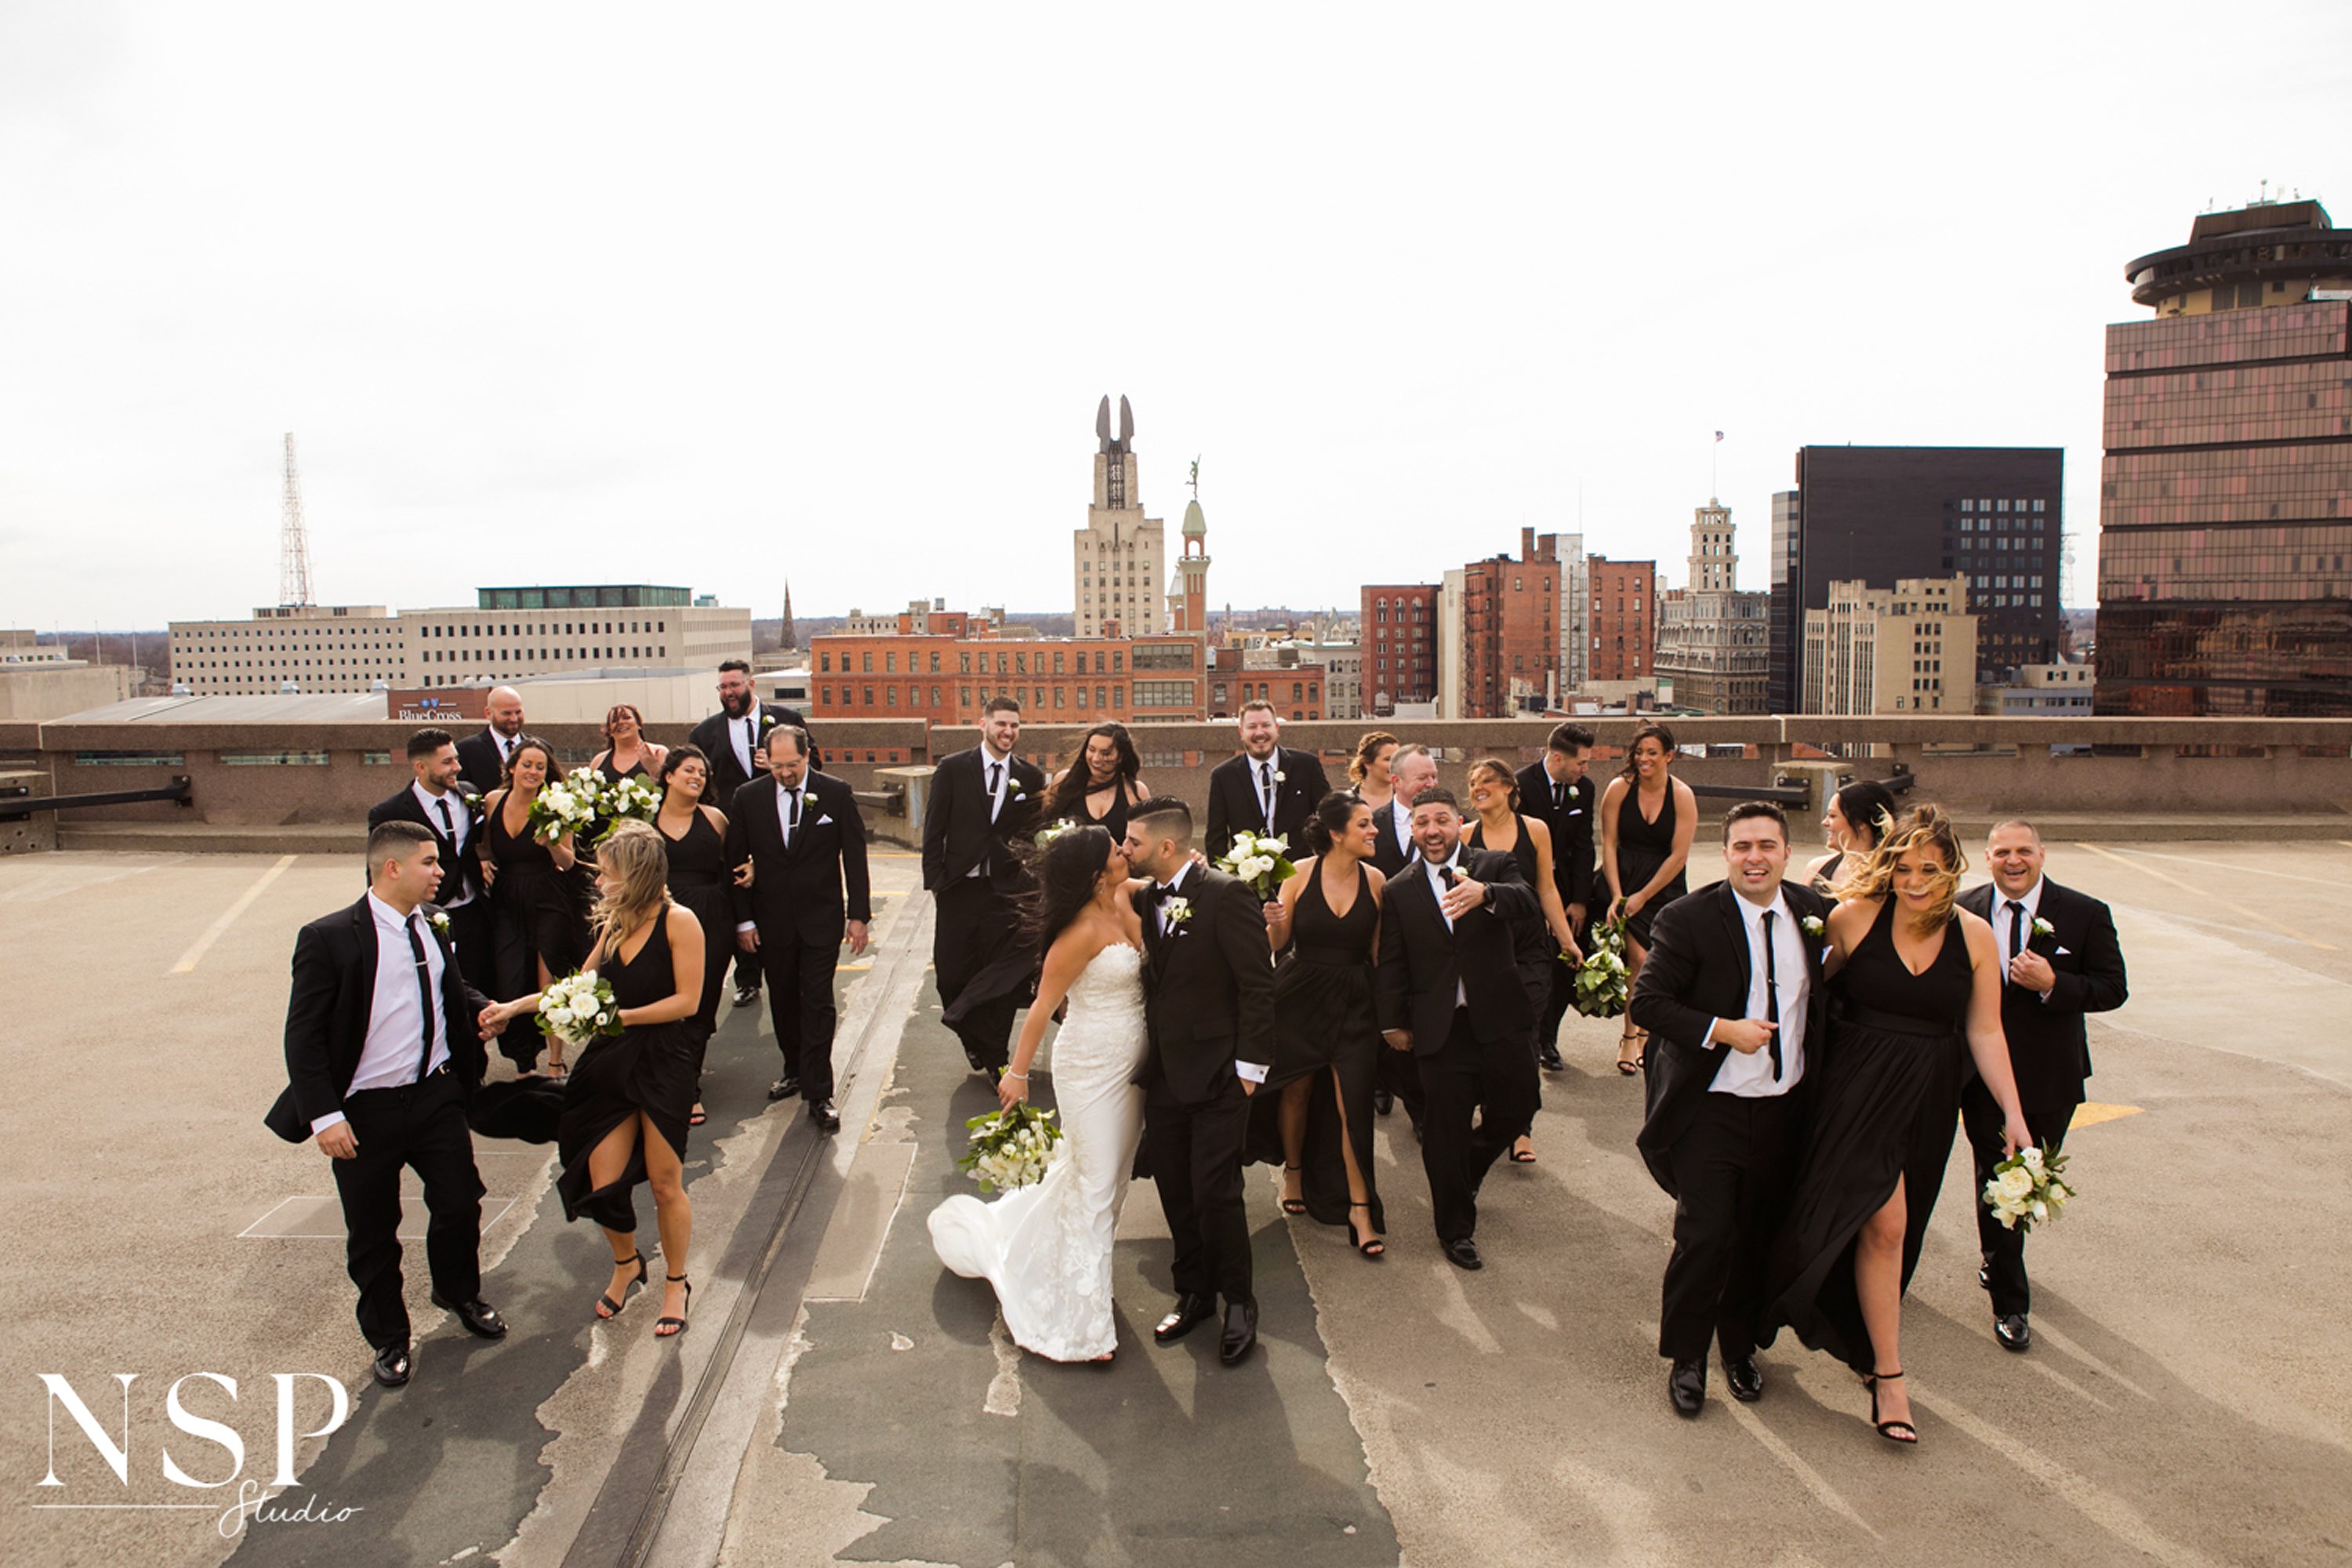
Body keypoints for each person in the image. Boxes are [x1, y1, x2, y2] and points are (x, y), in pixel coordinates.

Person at [1759, 804, 2034, 1446]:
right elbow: (1803, 997)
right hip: (1855, 1087)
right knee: (1885, 1224)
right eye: (1903, 867)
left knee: (1892, 1234)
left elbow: (1986, 1030)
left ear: (1952, 869)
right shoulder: (1853, 918)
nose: (1915, 881)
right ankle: (1890, 1375)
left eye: (1930, 869)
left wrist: (2014, 1115)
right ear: (1887, 866)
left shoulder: (1974, 937)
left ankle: (1863, 1338)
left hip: (1929, 1092)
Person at [264, 821, 510, 1389]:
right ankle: (389, 1336)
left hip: (435, 1096)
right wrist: (325, 1116)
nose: (441, 872)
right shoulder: (328, 938)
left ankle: (458, 1292)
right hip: (363, 1112)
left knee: (460, 1202)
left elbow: (446, 988)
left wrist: (479, 1008)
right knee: (373, 1231)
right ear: (392, 868)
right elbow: (303, 1036)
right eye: (430, 862)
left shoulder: (432, 926)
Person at [1630, 803, 1830, 1417]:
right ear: (1725, 854)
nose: (1755, 857)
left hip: (1784, 1109)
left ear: (1787, 854)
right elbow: (1649, 1004)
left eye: (1767, 846)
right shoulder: (1688, 919)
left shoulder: (1817, 914)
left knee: (1758, 1237)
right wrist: (1722, 1029)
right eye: (1743, 846)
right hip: (1710, 1109)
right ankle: (1687, 1359)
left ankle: (1739, 1347)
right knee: (1705, 1235)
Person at [927, 826, 1152, 1362]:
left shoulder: (1123, 897)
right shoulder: (1076, 933)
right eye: (1116, 851)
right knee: (1097, 1185)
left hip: (1132, 1067)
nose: (1125, 853)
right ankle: (1085, 1323)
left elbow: (1169, 879)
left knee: (1111, 1180)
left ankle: (1073, 1265)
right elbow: (1042, 1007)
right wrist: (1018, 1073)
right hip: (1088, 1067)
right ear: (1097, 872)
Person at [484, 822, 705, 1340]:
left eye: (608, 873)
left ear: (638, 875)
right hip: (609, 1062)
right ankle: (627, 1263)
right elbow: (577, 988)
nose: (600, 882)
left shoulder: (681, 921)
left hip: (662, 1060)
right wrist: (512, 1008)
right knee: (602, 1183)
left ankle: (676, 1281)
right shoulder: (614, 925)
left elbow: (689, 1002)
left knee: (665, 1182)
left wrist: (618, 1018)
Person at [1957, 821, 2128, 1352]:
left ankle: (1996, 1255)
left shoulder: (2084, 913)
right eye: (2003, 852)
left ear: (2042, 855)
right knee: (1999, 1173)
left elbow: (2113, 988)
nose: (2014, 861)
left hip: (2051, 1075)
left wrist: (2056, 984)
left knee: (2029, 1177)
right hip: (1981, 1075)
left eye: (2023, 851)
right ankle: (2011, 1301)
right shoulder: (1961, 909)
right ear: (1987, 858)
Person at [1122, 799, 1276, 1367]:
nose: (1125, 850)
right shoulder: (1146, 897)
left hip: (1220, 1075)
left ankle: (1239, 1301)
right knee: (1175, 1188)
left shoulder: (1227, 894)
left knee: (1216, 1192)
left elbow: (1258, 986)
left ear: (1166, 847)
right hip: (1164, 1072)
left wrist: (1249, 1071)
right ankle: (1194, 1292)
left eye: (1132, 842)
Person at [1374, 787, 1541, 1269]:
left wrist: (1486, 895)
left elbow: (1528, 900)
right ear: (1413, 829)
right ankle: (1455, 1230)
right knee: (1444, 1131)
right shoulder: (1399, 888)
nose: (1432, 831)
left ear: (1458, 823)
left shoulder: (1494, 865)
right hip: (1440, 1029)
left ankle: (1466, 1169)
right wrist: (1393, 1023)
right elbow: (1393, 963)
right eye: (1422, 822)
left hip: (1500, 1018)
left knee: (1517, 1108)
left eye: (1441, 820)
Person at [1254, 791, 1390, 1258]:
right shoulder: (1296, 875)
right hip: (1300, 995)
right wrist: (1272, 920)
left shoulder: (1376, 880)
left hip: (1355, 1001)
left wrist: (1390, 1015)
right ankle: (1293, 1172)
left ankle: (1360, 1211)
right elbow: (1279, 943)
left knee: (1353, 1105)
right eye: (1365, 825)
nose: (1375, 831)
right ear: (1336, 834)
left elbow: (1378, 954)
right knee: (1296, 1089)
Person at [726, 726, 870, 1131]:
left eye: (792, 765)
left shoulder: (835, 793)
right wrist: (744, 920)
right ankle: (794, 1069)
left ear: (807, 756)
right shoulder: (748, 798)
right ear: (765, 761)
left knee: (818, 1002)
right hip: (771, 920)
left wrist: (858, 915)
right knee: (784, 999)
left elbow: (855, 857)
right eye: (777, 766)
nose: (786, 774)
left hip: (821, 919)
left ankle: (820, 1091)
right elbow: (735, 863)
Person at [1465, 757, 1581, 1163]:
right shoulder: (1465, 834)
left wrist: (1566, 940)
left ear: (1509, 788)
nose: (1478, 788)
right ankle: (1490, 1115)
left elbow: (1546, 889)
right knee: (1486, 1033)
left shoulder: (1536, 830)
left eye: (1487, 782)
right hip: (1485, 945)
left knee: (1525, 1033)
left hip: (1530, 945)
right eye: (1474, 783)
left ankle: (1520, 1126)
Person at [921, 696, 1045, 1077]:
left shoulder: (1030, 777)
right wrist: (936, 882)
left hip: (1005, 892)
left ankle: (994, 1057)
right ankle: (973, 1039)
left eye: (1015, 726)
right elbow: (934, 827)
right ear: (983, 725)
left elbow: (1031, 834)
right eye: (1001, 724)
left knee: (1000, 980)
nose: (1008, 732)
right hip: (959, 887)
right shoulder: (954, 768)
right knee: (951, 974)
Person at [688, 659, 821, 1009]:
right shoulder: (704, 733)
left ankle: (788, 965)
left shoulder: (787, 719)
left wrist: (777, 766)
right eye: (723, 687)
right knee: (738, 895)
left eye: (734, 685)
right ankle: (747, 978)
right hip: (733, 830)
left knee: (776, 893)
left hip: (783, 825)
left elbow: (816, 764)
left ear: (752, 684)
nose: (729, 693)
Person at [478, 736, 590, 1073]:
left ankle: (556, 1061)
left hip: (548, 895)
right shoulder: (492, 801)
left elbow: (569, 863)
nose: (533, 771)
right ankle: (523, 1059)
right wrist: (482, 859)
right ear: (512, 767)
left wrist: (552, 843)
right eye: (527, 764)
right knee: (511, 977)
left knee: (548, 979)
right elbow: (483, 843)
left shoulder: (556, 803)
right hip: (506, 897)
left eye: (540, 767)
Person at [1600, 722, 1698, 1077]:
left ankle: (1645, 1031)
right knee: (1638, 959)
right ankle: (1630, 1036)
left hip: (1664, 886)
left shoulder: (1682, 795)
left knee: (1658, 962)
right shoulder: (1619, 789)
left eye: (1652, 753)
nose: (1643, 759)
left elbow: (1678, 856)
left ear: (1669, 756)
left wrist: (1644, 896)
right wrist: (1617, 894)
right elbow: (1608, 844)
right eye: (1639, 752)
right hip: (1623, 880)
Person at [368, 728, 491, 975]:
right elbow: (377, 875)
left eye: (456, 758)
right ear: (421, 768)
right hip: (428, 913)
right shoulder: (389, 813)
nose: (457, 767)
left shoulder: (470, 794)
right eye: (447, 762)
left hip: (475, 913)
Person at [653, 745, 733, 1128]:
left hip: (709, 920)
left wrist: (748, 870)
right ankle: (662, 1077)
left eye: (703, 773)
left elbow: (735, 864)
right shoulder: (643, 818)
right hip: (658, 919)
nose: (697, 777)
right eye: (689, 770)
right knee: (663, 1000)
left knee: (699, 1005)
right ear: (668, 775)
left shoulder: (716, 820)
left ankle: (688, 1088)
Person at [1517, 724, 1598, 1072]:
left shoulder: (1586, 789)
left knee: (1565, 966)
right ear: (1557, 757)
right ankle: (1528, 1038)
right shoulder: (1521, 784)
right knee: (1534, 965)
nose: (1585, 769)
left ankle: (1548, 1039)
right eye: (1581, 762)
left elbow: (1583, 847)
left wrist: (1580, 899)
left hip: (1565, 888)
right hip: (1525, 887)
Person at [1205, 701, 1331, 869]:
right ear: (1241, 732)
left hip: (1301, 874)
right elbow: (1215, 839)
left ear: (1276, 728)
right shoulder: (1223, 776)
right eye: (1252, 727)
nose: (1259, 733)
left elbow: (1330, 817)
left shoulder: (1307, 766)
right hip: (1249, 881)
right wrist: (1223, 884)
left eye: (1266, 725)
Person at [1040, 721, 1152, 844]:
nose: (1096, 759)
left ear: (1121, 757)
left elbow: (1146, 843)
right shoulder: (1063, 781)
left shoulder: (1136, 791)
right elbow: (1044, 827)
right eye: (1091, 750)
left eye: (1106, 753)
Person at [1803, 779, 1898, 893]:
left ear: (1860, 823)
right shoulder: (1815, 869)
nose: (1824, 822)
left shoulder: (1893, 874)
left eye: (1832, 816)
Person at [1371, 742, 1436, 878]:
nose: (1431, 784)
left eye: (1434, 777)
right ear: (1397, 781)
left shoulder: (1456, 823)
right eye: (1422, 778)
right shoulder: (1372, 824)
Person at [454, 687, 527, 797]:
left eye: (518, 712)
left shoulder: (540, 749)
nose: (514, 719)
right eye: (507, 714)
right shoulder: (466, 751)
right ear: (488, 713)